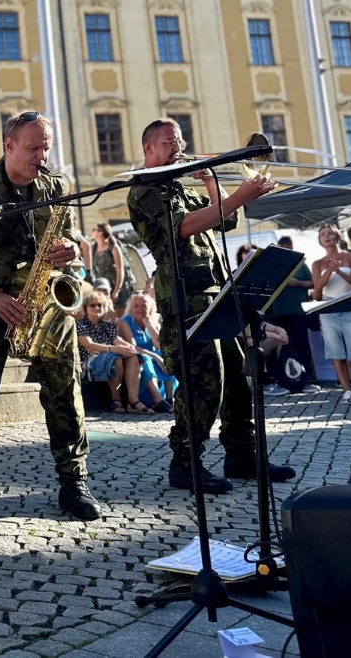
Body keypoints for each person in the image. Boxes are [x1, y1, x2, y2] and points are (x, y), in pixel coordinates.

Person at [0, 111, 101, 522]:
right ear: (9, 145)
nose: (42, 156)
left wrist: (70, 252)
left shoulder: (55, 187)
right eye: (34, 148)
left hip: (44, 300)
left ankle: (74, 481)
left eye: (46, 147)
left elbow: (70, 242)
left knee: (66, 388)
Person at [127, 118, 295, 495]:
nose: (178, 146)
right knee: (204, 379)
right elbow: (184, 227)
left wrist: (209, 181)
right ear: (149, 149)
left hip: (217, 292)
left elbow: (225, 218)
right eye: (169, 142)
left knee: (239, 376)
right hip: (186, 298)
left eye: (180, 139)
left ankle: (242, 454)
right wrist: (240, 195)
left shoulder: (181, 186)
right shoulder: (144, 188)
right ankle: (185, 461)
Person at [75, 290, 163, 414]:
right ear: (86, 308)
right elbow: (90, 345)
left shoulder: (106, 326)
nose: (96, 308)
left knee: (132, 356)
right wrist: (111, 348)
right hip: (90, 361)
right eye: (92, 305)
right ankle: (116, 400)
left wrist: (129, 348)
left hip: (107, 357)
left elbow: (117, 341)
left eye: (99, 305)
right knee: (115, 357)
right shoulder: (80, 325)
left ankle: (133, 401)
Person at [311, 224, 351, 404]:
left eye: (330, 233)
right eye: (322, 235)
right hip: (329, 310)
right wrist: (328, 272)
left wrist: (338, 272)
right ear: (320, 241)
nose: (326, 236)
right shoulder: (317, 263)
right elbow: (317, 294)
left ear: (337, 237)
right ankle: (346, 390)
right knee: (336, 352)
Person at [266, 235, 316, 386]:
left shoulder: (300, 264)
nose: (285, 249)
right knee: (278, 344)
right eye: (283, 247)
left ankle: (307, 375)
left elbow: (312, 283)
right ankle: (278, 376)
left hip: (297, 312)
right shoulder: (272, 265)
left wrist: (298, 283)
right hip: (277, 313)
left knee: (301, 343)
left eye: (288, 247)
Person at [118, 291, 177, 412]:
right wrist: (155, 356)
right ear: (131, 308)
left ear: (150, 307)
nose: (140, 309)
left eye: (144, 305)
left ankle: (170, 398)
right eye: (136, 306)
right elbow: (133, 347)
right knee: (145, 359)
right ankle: (158, 399)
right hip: (138, 358)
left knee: (167, 355)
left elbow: (159, 345)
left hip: (154, 357)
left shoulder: (153, 320)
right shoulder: (125, 321)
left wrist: (149, 325)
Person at [90, 223, 132, 317]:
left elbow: (120, 271)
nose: (92, 231)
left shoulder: (113, 247)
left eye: (94, 229)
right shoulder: (94, 248)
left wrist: (116, 291)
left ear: (100, 233)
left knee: (121, 315)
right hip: (103, 288)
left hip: (117, 287)